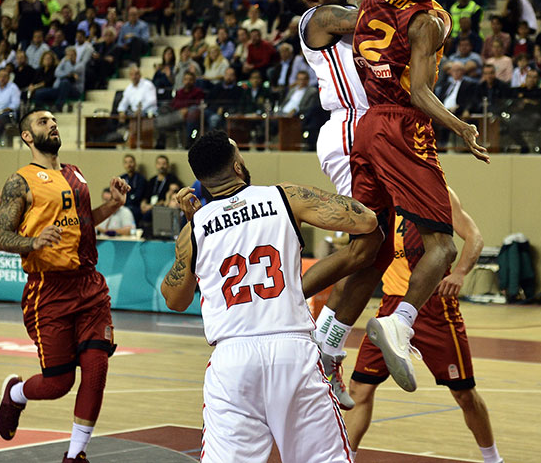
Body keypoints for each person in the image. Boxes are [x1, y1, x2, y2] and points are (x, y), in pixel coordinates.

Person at [301, 0, 488, 395]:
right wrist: (461, 127)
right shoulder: (430, 16)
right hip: (402, 127)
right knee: (443, 246)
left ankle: (326, 342)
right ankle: (398, 322)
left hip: (365, 128)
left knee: (374, 246)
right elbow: (425, 91)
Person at [160, 130, 378, 463]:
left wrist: (194, 226)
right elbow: (366, 221)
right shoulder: (285, 197)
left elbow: (174, 299)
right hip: (292, 350)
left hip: (232, 360)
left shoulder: (195, 228)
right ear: (237, 165)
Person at [0, 109, 130, 462]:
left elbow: (85, 223)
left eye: (54, 121)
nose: (52, 124)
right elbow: (2, 236)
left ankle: (75, 455)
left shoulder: (75, 173)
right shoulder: (20, 181)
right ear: (27, 136)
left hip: (90, 285)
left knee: (97, 366)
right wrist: (33, 242)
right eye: (42, 122)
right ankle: (17, 394)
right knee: (58, 384)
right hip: (49, 290)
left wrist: (111, 206)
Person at [345, 189, 504, 463]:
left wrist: (459, 273)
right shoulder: (378, 196)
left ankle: (493, 459)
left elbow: (474, 237)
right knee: (360, 388)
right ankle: (343, 457)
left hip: (434, 307)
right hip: (390, 306)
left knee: (464, 393)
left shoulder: (435, 191)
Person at [140, 154, 182, 230]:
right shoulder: (152, 180)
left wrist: (151, 206)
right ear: (156, 165)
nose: (161, 166)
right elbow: (145, 196)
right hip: (150, 206)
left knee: (150, 214)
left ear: (168, 166)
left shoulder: (172, 180)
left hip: (162, 207)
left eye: (164, 164)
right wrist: (143, 204)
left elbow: (168, 200)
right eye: (159, 164)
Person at [119, 154, 146, 225]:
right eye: (126, 162)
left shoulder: (141, 179)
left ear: (135, 163)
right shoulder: (121, 178)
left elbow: (138, 196)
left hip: (135, 207)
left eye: (131, 162)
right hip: (123, 205)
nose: (129, 165)